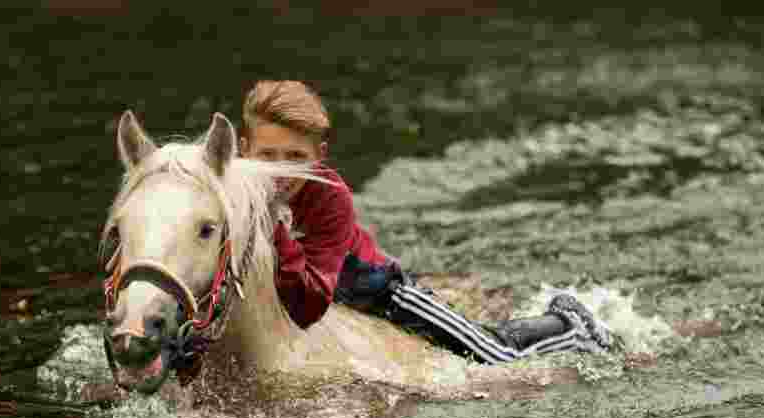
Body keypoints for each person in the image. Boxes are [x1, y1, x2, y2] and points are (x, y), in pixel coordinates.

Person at [239, 80, 612, 364]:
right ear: (243, 150)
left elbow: (309, 304)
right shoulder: (229, 192)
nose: (279, 170)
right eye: (267, 155)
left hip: (379, 292)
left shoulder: (330, 197)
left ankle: (569, 325)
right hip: (328, 294)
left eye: (295, 156)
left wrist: (273, 228)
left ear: (319, 156)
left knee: (491, 356)